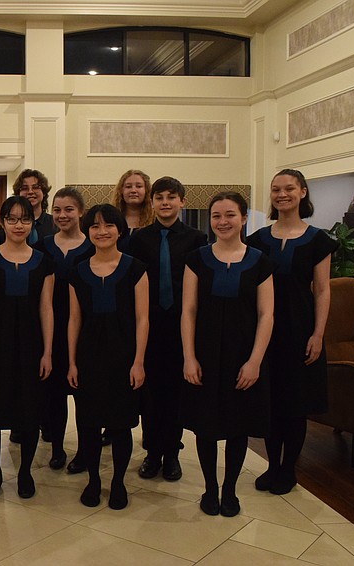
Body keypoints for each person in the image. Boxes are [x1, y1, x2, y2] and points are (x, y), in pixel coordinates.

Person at [181, 192, 274, 518]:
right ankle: (210, 488)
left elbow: (266, 314)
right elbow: (189, 311)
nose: (223, 222)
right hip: (205, 354)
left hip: (243, 356)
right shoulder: (196, 259)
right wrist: (189, 357)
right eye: (217, 216)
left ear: (244, 218)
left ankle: (230, 489)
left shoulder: (260, 261)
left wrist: (255, 361)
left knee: (238, 426)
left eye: (230, 215)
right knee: (205, 426)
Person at [248, 169, 336, 495]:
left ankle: (288, 469)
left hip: (301, 331)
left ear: (302, 192)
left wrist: (318, 334)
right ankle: (272, 465)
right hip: (266, 332)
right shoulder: (257, 240)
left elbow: (323, 290)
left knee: (295, 405)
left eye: (288, 188)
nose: (281, 194)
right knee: (271, 403)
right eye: (276, 189)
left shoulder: (319, 240)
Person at [0, 195, 54, 499]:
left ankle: (24, 473)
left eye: (25, 219)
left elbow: (46, 309)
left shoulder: (44, 261)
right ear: (2, 222)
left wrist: (47, 352)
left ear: (32, 223)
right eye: (12, 219)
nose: (19, 225)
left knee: (29, 412)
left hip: (31, 346)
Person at [67, 204, 148, 509]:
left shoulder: (136, 268)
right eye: (95, 226)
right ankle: (93, 481)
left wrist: (139, 361)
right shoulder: (77, 271)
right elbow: (74, 320)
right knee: (88, 424)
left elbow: (143, 319)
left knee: (121, 424)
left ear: (120, 230)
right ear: (87, 232)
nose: (102, 232)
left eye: (108, 225)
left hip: (124, 357)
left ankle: (117, 483)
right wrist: (72, 362)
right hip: (88, 357)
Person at [129, 177, 207, 483]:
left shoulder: (196, 238)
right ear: (151, 202)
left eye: (171, 197)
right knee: (150, 393)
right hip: (148, 325)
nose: (165, 202)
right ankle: (152, 452)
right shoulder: (139, 239)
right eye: (159, 197)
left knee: (175, 392)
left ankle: (172, 452)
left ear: (182, 202)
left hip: (181, 325)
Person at [34, 187, 93, 471]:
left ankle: (84, 451)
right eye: (57, 210)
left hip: (86, 330)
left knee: (84, 395)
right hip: (51, 329)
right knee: (53, 395)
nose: (62, 215)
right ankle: (57, 448)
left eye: (69, 209)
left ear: (81, 211)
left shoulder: (93, 245)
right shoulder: (43, 247)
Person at [113, 169, 154, 253]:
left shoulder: (155, 220)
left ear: (146, 191)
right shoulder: (112, 219)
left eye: (139, 186)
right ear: (121, 191)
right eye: (128, 187)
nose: (133, 191)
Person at [13, 169, 58, 245]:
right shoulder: (11, 224)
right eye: (25, 188)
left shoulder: (55, 223)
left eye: (36, 187)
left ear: (44, 192)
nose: (30, 192)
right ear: (18, 194)